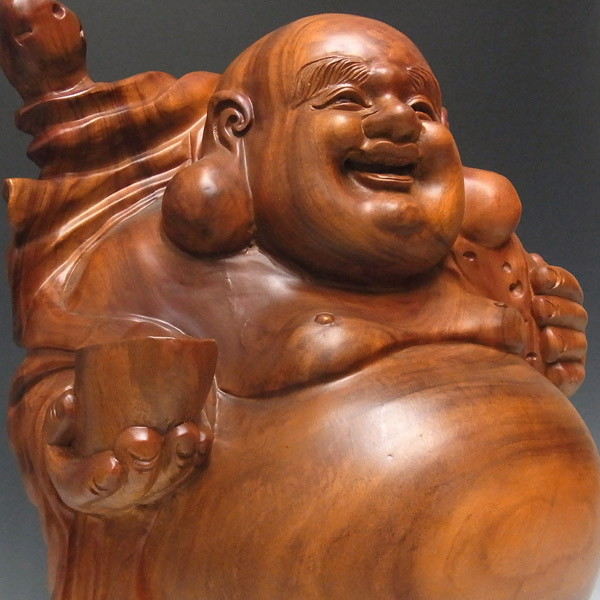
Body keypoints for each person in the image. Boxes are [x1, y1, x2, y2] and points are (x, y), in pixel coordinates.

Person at [2, 10, 597, 600]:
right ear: (237, 130)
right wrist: (76, 438)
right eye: (347, 99)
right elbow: (55, 391)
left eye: (421, 108)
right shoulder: (154, 262)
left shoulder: (474, 258)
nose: (398, 122)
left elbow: (541, 359)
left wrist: (551, 345)